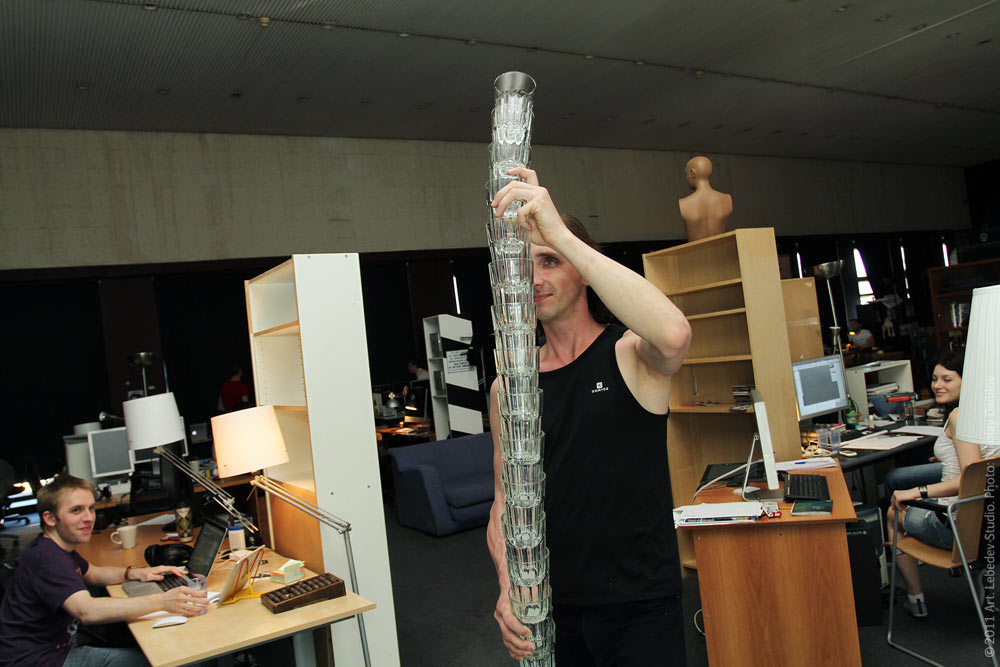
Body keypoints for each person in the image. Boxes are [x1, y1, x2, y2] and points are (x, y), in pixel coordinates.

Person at [487, 167, 692, 664]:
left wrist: (558, 231)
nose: (535, 279)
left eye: (550, 261)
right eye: (523, 266)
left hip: (640, 605)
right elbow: (505, 504)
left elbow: (674, 335)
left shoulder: (630, 354)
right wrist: (508, 588)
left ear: (582, 268)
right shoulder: (509, 387)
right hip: (555, 608)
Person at [0, 475, 211, 667]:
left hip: (50, 651)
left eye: (91, 508)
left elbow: (92, 573)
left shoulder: (55, 547)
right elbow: (86, 611)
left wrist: (133, 573)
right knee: (175, 660)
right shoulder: (48, 558)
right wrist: (163, 601)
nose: (88, 518)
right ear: (50, 518)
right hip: (41, 660)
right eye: (76, 510)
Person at [886, 350, 1000, 617]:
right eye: (935, 379)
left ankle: (915, 599)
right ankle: (984, 573)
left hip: (958, 525)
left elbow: (970, 479)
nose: (937, 385)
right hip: (989, 522)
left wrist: (917, 492)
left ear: (968, 382)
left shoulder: (961, 416)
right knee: (898, 479)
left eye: (947, 379)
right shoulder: (990, 410)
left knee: (893, 512)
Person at [677, 156, 732, 242]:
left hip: (696, 251)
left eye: (686, 174)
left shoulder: (683, 203)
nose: (686, 178)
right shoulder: (726, 199)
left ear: (692, 172)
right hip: (721, 250)